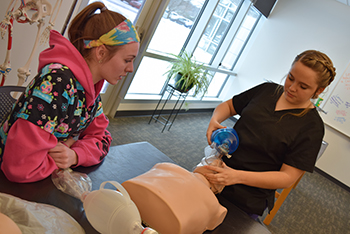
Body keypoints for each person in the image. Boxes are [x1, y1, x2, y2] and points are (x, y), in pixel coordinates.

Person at [0, 2, 140, 183]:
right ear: (101, 53)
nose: (131, 68)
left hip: (40, 178)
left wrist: (75, 154)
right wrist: (65, 149)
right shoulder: (57, 85)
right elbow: (20, 168)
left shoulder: (91, 89)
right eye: (127, 60)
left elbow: (103, 138)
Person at [202, 50, 336, 219]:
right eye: (291, 78)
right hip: (215, 171)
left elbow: (287, 177)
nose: (292, 88)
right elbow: (229, 106)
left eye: (303, 86)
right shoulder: (267, 90)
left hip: (246, 198)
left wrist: (236, 176)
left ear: (319, 90)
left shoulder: (312, 127)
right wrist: (215, 119)